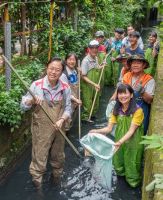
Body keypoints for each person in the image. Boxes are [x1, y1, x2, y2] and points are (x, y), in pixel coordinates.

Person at [20, 57, 72, 187]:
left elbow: (68, 109)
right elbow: (23, 105)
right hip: (41, 130)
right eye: (51, 68)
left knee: (58, 156)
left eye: (57, 70)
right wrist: (32, 100)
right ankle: (38, 188)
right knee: (39, 157)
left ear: (62, 72)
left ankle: (57, 180)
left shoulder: (65, 88)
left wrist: (61, 119)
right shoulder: (36, 85)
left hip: (59, 128)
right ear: (47, 68)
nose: (53, 72)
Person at [89, 84, 144, 187]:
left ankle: (133, 184)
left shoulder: (137, 110)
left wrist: (120, 142)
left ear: (131, 95)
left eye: (125, 93)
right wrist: (96, 131)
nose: (122, 96)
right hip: (119, 140)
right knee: (118, 163)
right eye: (120, 93)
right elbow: (109, 129)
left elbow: (131, 131)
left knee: (132, 163)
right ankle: (121, 180)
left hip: (133, 142)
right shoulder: (116, 109)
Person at [122, 54, 154, 134]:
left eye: (138, 63)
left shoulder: (149, 80)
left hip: (141, 112)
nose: (135, 65)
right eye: (133, 63)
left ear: (144, 65)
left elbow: (150, 100)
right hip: (126, 111)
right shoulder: (126, 76)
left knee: (139, 135)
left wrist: (142, 91)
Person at [81, 40, 107, 121]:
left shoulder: (96, 58)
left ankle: (92, 116)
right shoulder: (85, 61)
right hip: (88, 85)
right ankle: (85, 119)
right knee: (88, 103)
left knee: (95, 102)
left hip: (95, 83)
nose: (94, 50)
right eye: (92, 48)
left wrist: (102, 66)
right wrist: (93, 84)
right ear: (89, 49)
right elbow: (83, 76)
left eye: (96, 48)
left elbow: (96, 67)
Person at [60, 53, 82, 130]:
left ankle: (68, 129)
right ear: (66, 61)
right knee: (67, 118)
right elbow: (65, 92)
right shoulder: (64, 74)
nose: (72, 61)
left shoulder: (74, 71)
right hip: (68, 100)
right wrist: (75, 99)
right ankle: (64, 133)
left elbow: (77, 83)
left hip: (75, 99)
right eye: (70, 59)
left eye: (73, 60)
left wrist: (80, 73)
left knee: (72, 116)